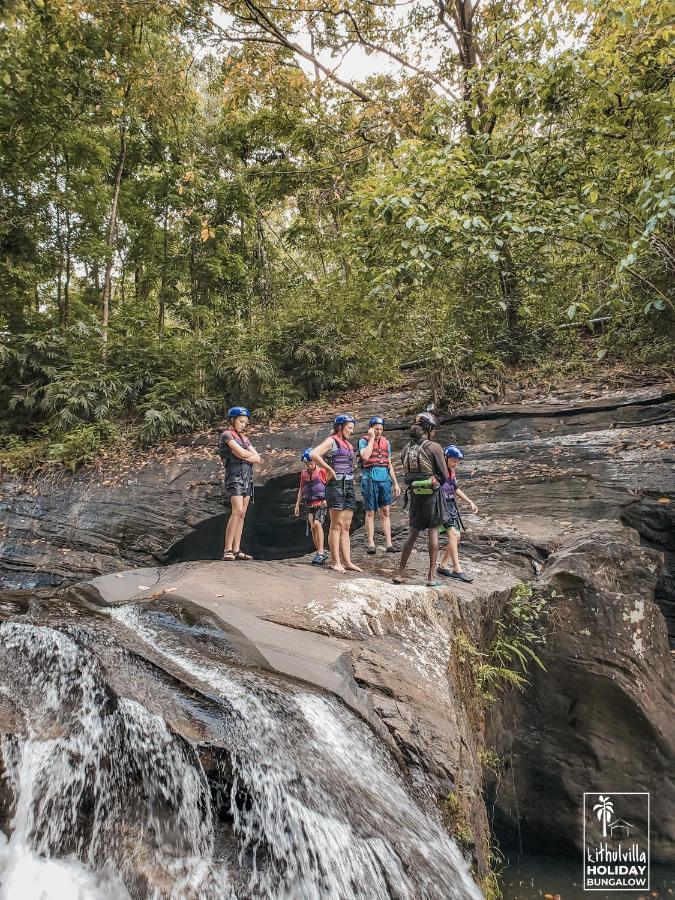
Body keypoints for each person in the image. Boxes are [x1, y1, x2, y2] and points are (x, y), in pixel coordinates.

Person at [393, 412, 449, 587]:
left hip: (415, 494)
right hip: (431, 494)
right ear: (429, 429)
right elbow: (445, 475)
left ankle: (400, 572)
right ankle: (431, 576)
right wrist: (436, 479)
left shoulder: (405, 448)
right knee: (433, 531)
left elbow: (407, 474)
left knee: (413, 532)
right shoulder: (434, 447)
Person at [310, 414, 363, 573]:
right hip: (336, 485)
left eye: (352, 428)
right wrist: (329, 469)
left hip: (348, 484)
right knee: (336, 524)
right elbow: (314, 454)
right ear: (340, 427)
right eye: (349, 428)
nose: (351, 431)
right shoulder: (332, 440)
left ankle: (347, 561)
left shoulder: (347, 444)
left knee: (346, 525)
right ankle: (335, 561)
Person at [217, 406, 261, 561]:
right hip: (234, 476)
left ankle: (236, 549)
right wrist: (246, 455)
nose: (243, 424)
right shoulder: (227, 435)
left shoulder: (244, 438)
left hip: (247, 477)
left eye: (245, 422)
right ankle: (227, 549)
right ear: (232, 420)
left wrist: (244, 455)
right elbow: (242, 453)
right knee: (237, 511)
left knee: (242, 514)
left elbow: (258, 458)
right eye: (241, 421)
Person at [358, 416, 401, 554]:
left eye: (381, 429)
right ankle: (371, 543)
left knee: (385, 511)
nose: (379, 431)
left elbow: (389, 463)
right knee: (370, 512)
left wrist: (395, 483)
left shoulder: (386, 443)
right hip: (370, 478)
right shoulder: (363, 441)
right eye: (376, 429)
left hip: (384, 479)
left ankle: (389, 544)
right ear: (370, 428)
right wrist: (371, 439)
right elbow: (365, 456)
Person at [438, 445, 478, 583]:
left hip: (451, 505)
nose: (455, 464)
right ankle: (457, 569)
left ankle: (443, 566)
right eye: (453, 461)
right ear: (446, 457)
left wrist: (470, 502)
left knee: (457, 535)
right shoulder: (438, 470)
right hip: (441, 506)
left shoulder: (451, 471)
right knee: (453, 534)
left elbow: (455, 489)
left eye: (457, 462)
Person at [294, 448, 329, 565]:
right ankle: (318, 550)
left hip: (321, 503)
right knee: (313, 527)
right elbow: (301, 489)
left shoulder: (322, 471)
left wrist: (328, 499)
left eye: (311, 463)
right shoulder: (304, 474)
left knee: (318, 524)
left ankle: (321, 552)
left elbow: (329, 484)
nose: (309, 466)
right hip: (310, 504)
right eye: (307, 464)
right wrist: (297, 505)